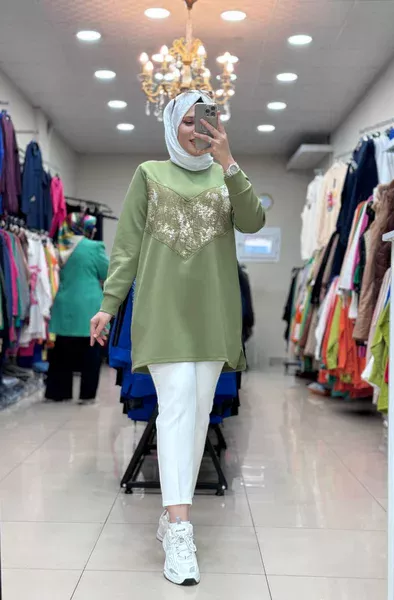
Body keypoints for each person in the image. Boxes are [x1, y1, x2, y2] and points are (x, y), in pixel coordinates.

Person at [90, 91, 265, 586]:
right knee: (176, 409)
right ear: (171, 125)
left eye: (203, 120)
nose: (195, 129)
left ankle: (172, 520)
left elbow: (254, 221)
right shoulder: (149, 174)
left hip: (213, 316)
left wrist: (229, 162)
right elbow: (126, 247)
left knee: (197, 417)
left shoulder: (225, 176)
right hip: (162, 313)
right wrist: (108, 305)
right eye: (186, 121)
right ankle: (181, 530)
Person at [46, 212, 109, 403]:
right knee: (91, 350)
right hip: (87, 304)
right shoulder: (93, 247)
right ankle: (86, 395)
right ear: (86, 229)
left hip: (63, 303)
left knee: (61, 350)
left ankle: (58, 393)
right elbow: (107, 272)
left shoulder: (60, 244)